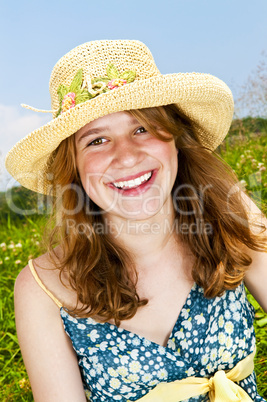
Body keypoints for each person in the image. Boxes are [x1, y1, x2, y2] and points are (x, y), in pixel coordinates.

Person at [5, 40, 267, 402]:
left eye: (142, 128)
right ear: (75, 169)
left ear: (175, 138)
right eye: (97, 140)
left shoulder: (230, 213)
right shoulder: (42, 288)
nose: (126, 157)